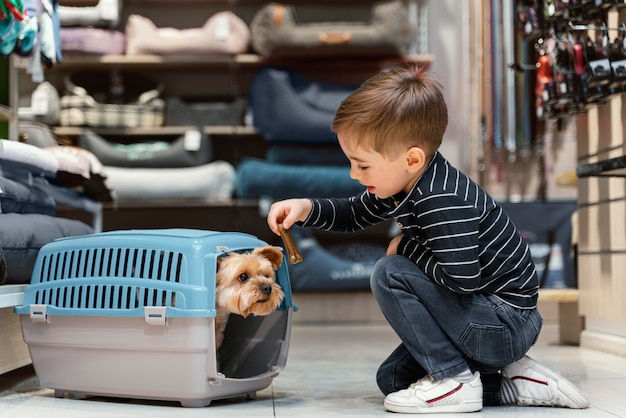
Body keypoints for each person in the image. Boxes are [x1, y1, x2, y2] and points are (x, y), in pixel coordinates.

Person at [266, 64, 590, 414]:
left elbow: (462, 280)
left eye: (362, 165)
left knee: (390, 272)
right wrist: (306, 208)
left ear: (412, 158)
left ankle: (456, 382)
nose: (353, 174)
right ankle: (513, 382)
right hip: (489, 318)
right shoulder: (408, 179)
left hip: (504, 324)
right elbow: (356, 213)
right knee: (393, 380)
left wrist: (404, 248)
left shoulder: (440, 198)